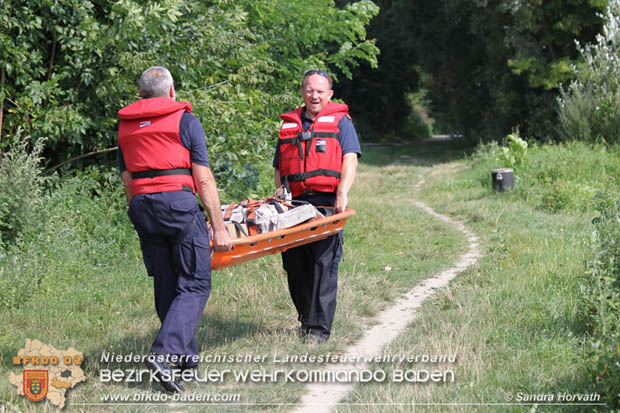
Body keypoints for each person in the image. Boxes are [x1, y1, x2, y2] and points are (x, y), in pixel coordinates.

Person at [117, 66, 232, 392]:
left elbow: (128, 181)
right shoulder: (185, 121)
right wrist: (219, 227)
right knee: (195, 284)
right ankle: (164, 355)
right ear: (171, 93)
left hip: (142, 208)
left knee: (167, 283)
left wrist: (139, 214)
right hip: (179, 207)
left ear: (141, 95)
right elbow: (204, 178)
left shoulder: (125, 129)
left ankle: (185, 363)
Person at [273, 69, 361, 344]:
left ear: (330, 94)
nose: (314, 95)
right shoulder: (289, 125)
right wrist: (279, 192)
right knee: (296, 265)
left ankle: (319, 331)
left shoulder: (340, 122)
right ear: (302, 92)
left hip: (326, 203)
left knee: (324, 265)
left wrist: (342, 194)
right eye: (310, 90)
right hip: (294, 204)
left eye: (320, 91)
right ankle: (306, 320)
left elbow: (350, 158)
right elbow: (279, 166)